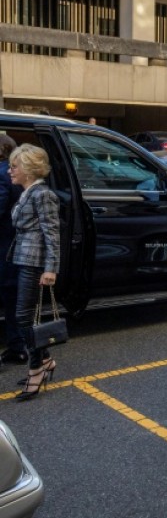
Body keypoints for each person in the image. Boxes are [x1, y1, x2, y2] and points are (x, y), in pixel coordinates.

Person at [8, 144, 60, 401]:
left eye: (14, 166)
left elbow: (52, 233)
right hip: (24, 260)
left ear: (28, 168)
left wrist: (51, 269)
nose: (9, 171)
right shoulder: (28, 192)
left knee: (23, 318)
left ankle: (36, 368)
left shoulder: (42, 194)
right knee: (24, 317)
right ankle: (46, 360)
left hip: (35, 262)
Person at [0, 134, 26, 365]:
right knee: (11, 301)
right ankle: (17, 347)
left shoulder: (1, 174)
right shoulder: (15, 176)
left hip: (3, 248)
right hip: (13, 249)